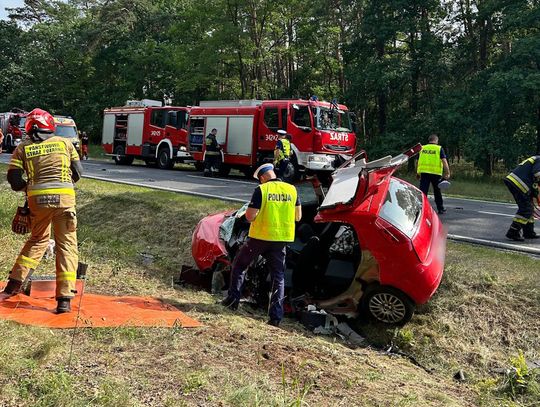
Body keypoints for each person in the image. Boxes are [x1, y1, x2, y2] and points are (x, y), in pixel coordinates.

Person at [1, 108, 83, 314]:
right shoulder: (65, 144)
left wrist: (30, 188)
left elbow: (14, 179)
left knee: (38, 240)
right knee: (67, 246)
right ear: (50, 126)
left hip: (38, 202)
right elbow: (78, 173)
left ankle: (13, 285)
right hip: (65, 202)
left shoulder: (23, 148)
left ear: (29, 128)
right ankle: (64, 300)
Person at [221, 163, 302, 327]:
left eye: (260, 180)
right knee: (278, 276)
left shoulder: (262, 190)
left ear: (263, 177)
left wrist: (245, 215)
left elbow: (250, 216)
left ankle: (232, 301)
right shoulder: (292, 189)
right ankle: (275, 317)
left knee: (239, 265)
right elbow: (298, 217)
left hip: (259, 238)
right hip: (281, 240)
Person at [504, 156, 540, 241]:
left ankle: (528, 232)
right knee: (526, 209)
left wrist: (535, 191)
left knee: (529, 207)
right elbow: (537, 174)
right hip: (519, 183)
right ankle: (513, 232)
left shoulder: (537, 158)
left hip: (518, 182)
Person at [416, 134, 451, 214]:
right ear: (436, 140)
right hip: (435, 173)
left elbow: (417, 161)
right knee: (437, 191)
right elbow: (444, 161)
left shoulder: (422, 148)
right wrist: (447, 173)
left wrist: (417, 172)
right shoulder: (439, 148)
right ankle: (440, 208)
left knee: (423, 191)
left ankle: (420, 209)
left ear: (429, 140)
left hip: (424, 173)